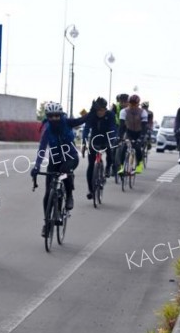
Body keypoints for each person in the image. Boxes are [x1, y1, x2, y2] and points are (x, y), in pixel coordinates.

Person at [31, 101, 87, 236]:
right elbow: (42, 149)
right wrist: (37, 166)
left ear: (61, 115)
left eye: (57, 116)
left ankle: (69, 196)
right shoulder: (47, 130)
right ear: (48, 117)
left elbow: (83, 119)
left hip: (70, 157)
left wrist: (92, 110)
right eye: (51, 116)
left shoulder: (67, 123)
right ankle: (47, 224)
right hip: (54, 160)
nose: (55, 119)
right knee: (47, 194)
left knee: (65, 171)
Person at [82, 97, 116, 199]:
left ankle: (108, 167)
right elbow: (86, 129)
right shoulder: (91, 115)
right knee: (91, 165)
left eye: (103, 110)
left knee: (111, 151)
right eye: (99, 110)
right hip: (94, 140)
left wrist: (112, 139)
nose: (101, 112)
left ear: (105, 109)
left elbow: (113, 128)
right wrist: (84, 142)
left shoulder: (110, 115)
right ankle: (90, 190)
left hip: (106, 138)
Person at [118, 94, 148, 174]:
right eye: (131, 103)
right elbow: (121, 126)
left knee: (137, 147)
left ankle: (139, 165)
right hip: (129, 132)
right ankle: (121, 167)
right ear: (128, 103)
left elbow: (144, 127)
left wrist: (141, 138)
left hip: (139, 132)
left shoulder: (143, 112)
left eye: (135, 104)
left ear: (138, 104)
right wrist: (120, 137)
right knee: (124, 147)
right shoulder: (123, 111)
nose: (132, 105)